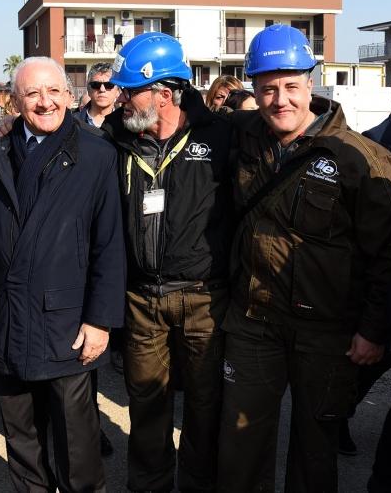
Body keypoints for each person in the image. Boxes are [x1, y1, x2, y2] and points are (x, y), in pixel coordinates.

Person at [217, 24, 391, 493]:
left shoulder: (362, 159)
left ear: (311, 83)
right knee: (240, 445)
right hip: (254, 322)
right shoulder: (241, 139)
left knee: (315, 447)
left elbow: (390, 256)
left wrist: (373, 330)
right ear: (253, 91)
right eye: (267, 89)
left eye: (291, 87)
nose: (280, 99)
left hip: (326, 332)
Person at [0, 56, 125, 492]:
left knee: (76, 444)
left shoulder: (96, 154)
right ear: (14, 102)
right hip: (7, 317)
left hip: (67, 324)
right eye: (32, 94)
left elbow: (109, 245)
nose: (45, 103)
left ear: (68, 94)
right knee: (22, 438)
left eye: (53, 92)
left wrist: (100, 321)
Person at [109, 33, 234, 492]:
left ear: (163, 94)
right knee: (145, 405)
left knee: (204, 406)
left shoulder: (222, 137)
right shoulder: (118, 140)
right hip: (142, 300)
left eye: (129, 90)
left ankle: (199, 485)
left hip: (203, 300)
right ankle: (149, 486)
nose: (121, 99)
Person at [76, 62, 119, 128]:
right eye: (96, 85)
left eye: (109, 85)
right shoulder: (73, 123)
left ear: (117, 91)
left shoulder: (127, 122)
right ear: (88, 89)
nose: (102, 89)